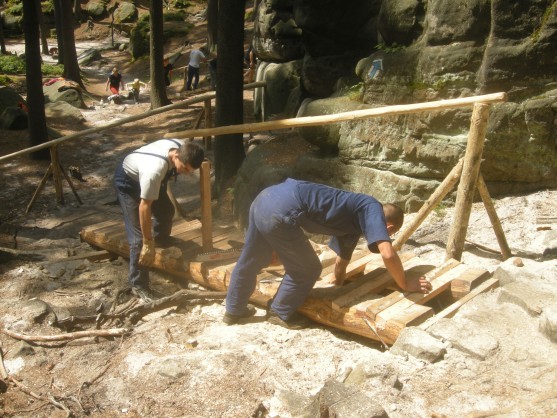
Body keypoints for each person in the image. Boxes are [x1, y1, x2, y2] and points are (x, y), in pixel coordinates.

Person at [224, 179, 432, 328]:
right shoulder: (371, 208)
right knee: (307, 269)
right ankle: (279, 312)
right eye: (390, 233)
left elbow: (342, 260)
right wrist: (405, 283)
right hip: (282, 209)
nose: (386, 236)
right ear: (389, 227)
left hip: (264, 199)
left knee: (251, 259)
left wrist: (338, 284)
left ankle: (233, 310)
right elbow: (387, 254)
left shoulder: (353, 218)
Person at [114, 139, 205, 302]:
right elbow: (144, 207)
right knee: (137, 239)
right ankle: (138, 284)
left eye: (189, 171)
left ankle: (161, 240)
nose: (185, 173)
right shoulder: (154, 171)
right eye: (184, 168)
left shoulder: (184, 147)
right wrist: (148, 242)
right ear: (175, 156)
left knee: (166, 211)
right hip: (128, 182)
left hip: (147, 174)